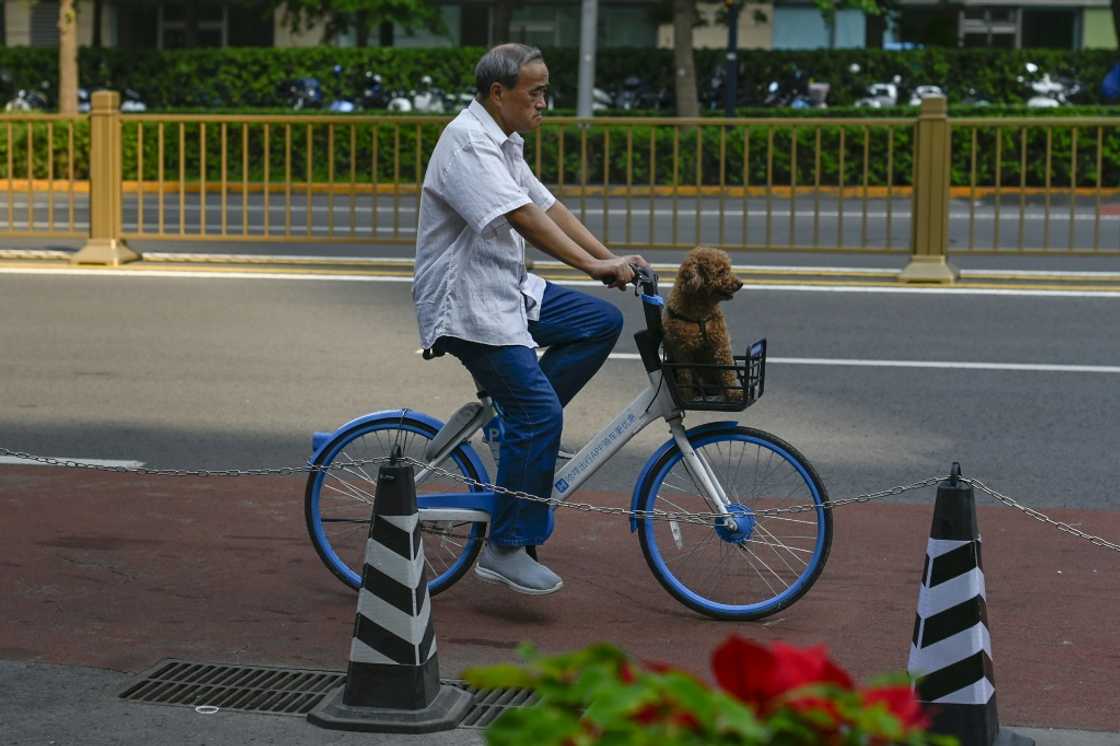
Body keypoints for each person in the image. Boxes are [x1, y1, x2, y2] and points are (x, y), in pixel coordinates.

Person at [412, 43, 649, 596]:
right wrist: (594, 266)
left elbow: (547, 206)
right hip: (467, 305)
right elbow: (521, 219)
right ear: (499, 93)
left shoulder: (505, 141)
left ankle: (510, 428)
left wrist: (612, 258)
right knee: (540, 413)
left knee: (597, 324)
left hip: (507, 290)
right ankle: (505, 546)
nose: (545, 102)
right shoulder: (469, 143)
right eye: (535, 92)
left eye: (547, 91)